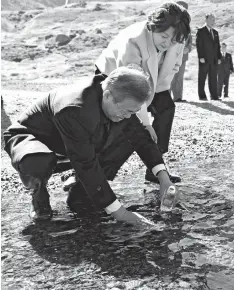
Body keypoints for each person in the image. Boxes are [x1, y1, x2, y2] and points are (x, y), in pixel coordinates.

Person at [3, 66, 176, 226]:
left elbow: (141, 139)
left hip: (74, 144)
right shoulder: (75, 109)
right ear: (107, 95)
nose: (128, 116)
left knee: (127, 138)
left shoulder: (119, 100)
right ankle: (39, 197)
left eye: (133, 112)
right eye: (127, 111)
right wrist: (121, 213)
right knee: (37, 162)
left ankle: (81, 191)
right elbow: (85, 163)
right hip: (35, 140)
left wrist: (163, 178)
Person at [95, 2, 191, 184]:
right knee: (129, 125)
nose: (168, 43)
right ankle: (99, 173)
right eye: (164, 36)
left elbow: (173, 67)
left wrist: (158, 90)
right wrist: (146, 124)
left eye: (174, 40)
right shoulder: (133, 42)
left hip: (154, 80)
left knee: (166, 108)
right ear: (152, 27)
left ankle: (155, 168)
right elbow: (133, 90)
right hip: (115, 77)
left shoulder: (177, 37)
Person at [196, 13, 222, 100]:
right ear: (206, 20)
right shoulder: (201, 31)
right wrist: (201, 57)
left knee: (213, 78)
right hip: (204, 59)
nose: (213, 22)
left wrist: (219, 57)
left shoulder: (215, 32)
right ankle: (202, 96)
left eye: (214, 20)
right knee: (202, 78)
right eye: (211, 19)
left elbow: (218, 46)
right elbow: (199, 45)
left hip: (214, 59)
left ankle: (214, 96)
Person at [171, 1, 193, 102]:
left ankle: (178, 97)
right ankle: (166, 98)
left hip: (183, 56)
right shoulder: (172, 23)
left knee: (179, 77)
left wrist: (188, 48)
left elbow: (190, 41)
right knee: (170, 76)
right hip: (172, 56)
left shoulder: (188, 25)